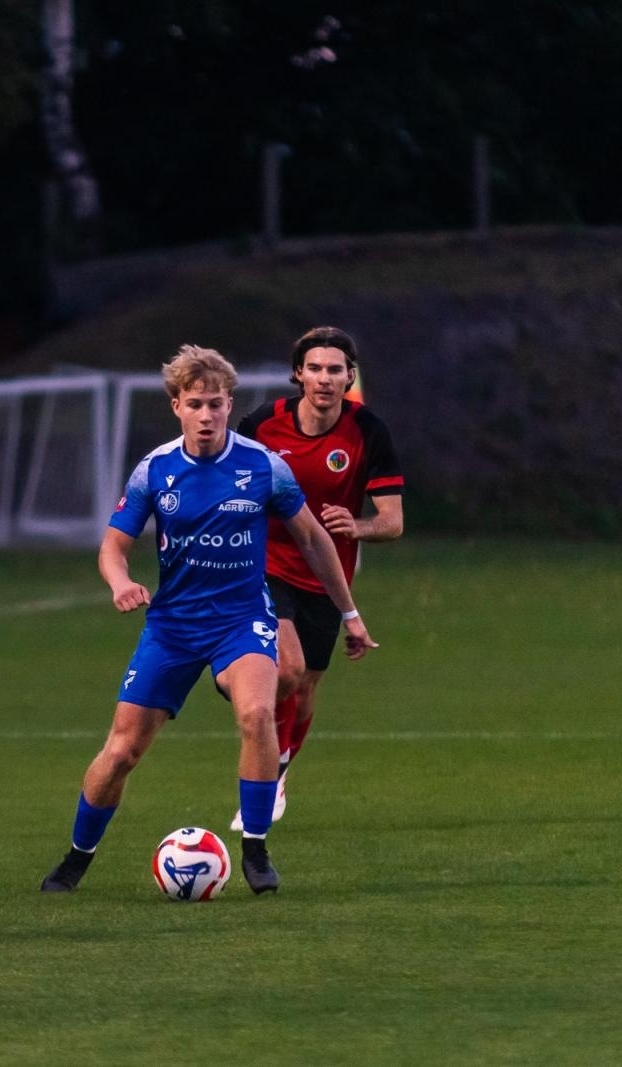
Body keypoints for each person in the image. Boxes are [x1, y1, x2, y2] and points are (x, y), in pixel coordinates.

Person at [39, 345, 377, 895]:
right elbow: (113, 547)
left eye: (216, 404)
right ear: (176, 405)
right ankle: (78, 856)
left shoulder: (263, 466)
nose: (207, 415)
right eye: (195, 404)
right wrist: (121, 582)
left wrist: (350, 613)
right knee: (122, 750)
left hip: (242, 620)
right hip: (172, 626)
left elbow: (315, 540)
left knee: (256, 716)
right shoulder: (156, 470)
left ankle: (256, 851)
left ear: (228, 405)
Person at [228, 326, 403, 830]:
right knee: (286, 668)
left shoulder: (369, 430)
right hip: (263, 566)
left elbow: (392, 521)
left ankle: (278, 769)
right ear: (297, 374)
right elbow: (226, 474)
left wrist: (359, 525)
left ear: (350, 376)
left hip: (328, 576)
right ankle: (258, 778)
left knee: (303, 687)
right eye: (315, 368)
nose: (324, 379)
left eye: (335, 370)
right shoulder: (264, 423)